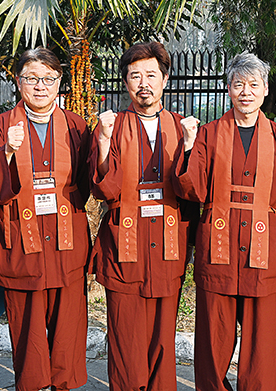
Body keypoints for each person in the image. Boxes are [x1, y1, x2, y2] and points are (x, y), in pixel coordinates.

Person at [174, 53, 276, 390]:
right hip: (219, 247)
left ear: (265, 90)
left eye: (253, 84)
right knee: (213, 334)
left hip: (264, 249)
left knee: (261, 340)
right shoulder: (210, 134)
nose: (246, 92)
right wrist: (187, 147)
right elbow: (192, 188)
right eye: (238, 84)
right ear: (228, 88)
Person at [0, 47, 92, 391]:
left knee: (68, 325)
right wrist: (6, 152)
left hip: (66, 241)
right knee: (27, 327)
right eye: (31, 78)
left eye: (49, 78)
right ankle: (32, 385)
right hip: (20, 244)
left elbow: (86, 183)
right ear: (18, 82)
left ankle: (64, 384)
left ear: (60, 82)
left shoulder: (75, 126)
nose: (41, 86)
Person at [91, 41, 197, 391]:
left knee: (163, 335)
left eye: (151, 74)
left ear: (165, 79)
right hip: (124, 243)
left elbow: (191, 190)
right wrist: (105, 141)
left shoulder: (182, 127)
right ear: (125, 82)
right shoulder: (113, 126)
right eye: (135, 76)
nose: (143, 83)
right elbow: (106, 190)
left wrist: (190, 147)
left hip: (168, 245)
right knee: (125, 334)